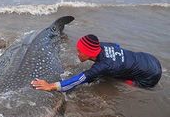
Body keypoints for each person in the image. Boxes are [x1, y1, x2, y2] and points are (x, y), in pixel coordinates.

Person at [31, 34, 162, 91]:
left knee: (120, 83)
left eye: (79, 51)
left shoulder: (103, 65)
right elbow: (116, 45)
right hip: (149, 58)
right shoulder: (102, 46)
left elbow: (79, 80)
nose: (77, 53)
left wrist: (51, 86)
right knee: (112, 71)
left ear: (89, 53)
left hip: (150, 76)